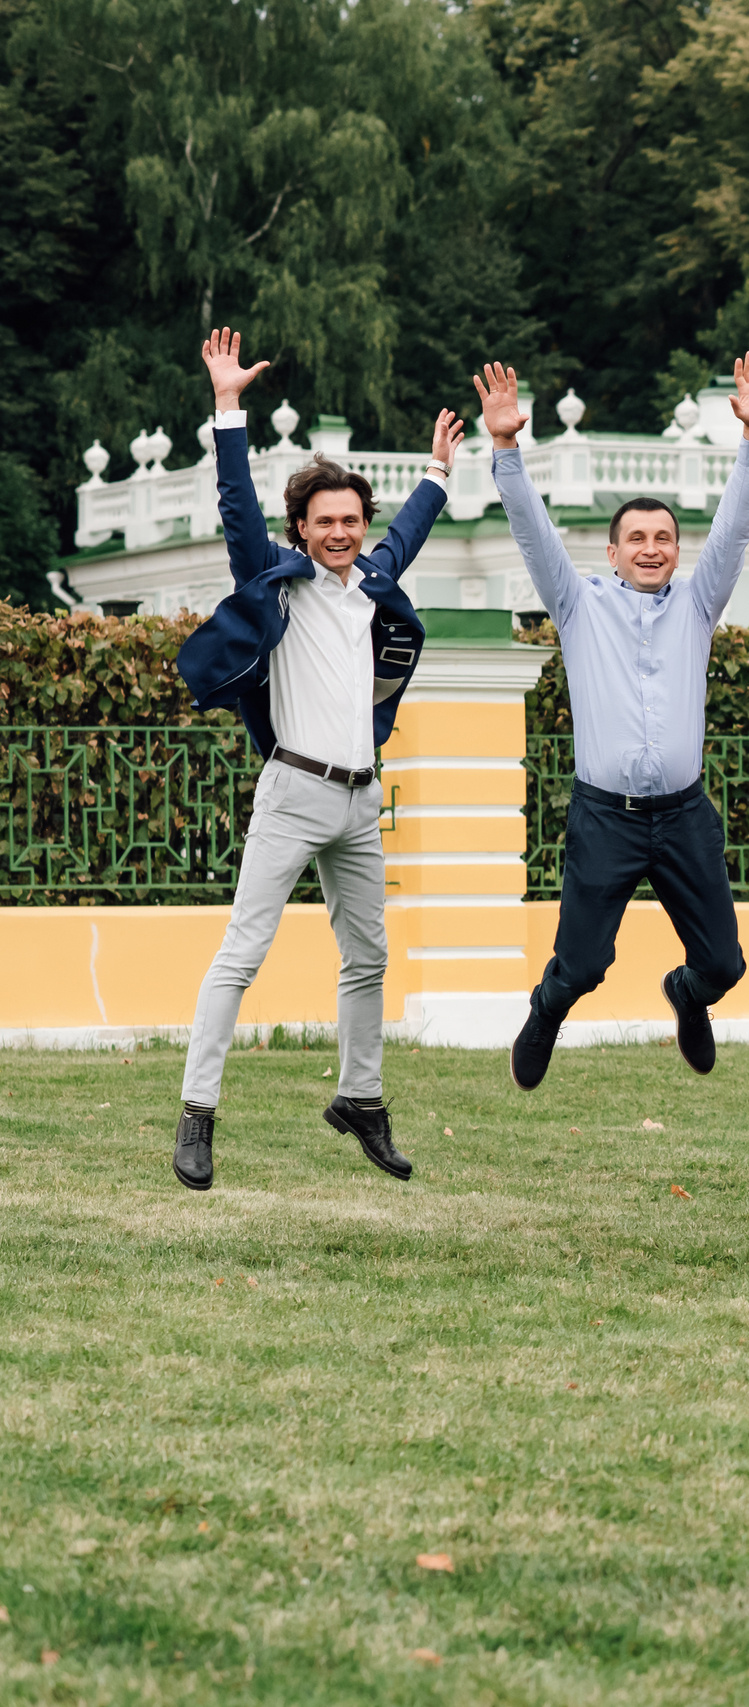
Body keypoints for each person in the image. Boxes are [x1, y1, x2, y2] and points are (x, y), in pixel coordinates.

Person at [169, 328, 463, 1191]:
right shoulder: (279, 579)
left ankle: (360, 1098)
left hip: (360, 803)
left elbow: (411, 530)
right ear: (300, 528)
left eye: (350, 521)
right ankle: (197, 1113)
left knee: (368, 957)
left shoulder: (372, 582)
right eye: (324, 522)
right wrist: (228, 407)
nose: (340, 532)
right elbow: (235, 508)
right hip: (293, 792)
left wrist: (439, 470)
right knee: (242, 953)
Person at [474, 357, 749, 1091]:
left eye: (663, 537)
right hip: (606, 816)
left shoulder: (698, 604)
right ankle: (547, 1007)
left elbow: (734, 530)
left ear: (676, 550)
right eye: (636, 537)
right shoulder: (578, 603)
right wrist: (506, 448)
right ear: (612, 552)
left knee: (724, 964)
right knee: (582, 965)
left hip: (683, 815)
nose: (651, 547)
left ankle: (687, 995)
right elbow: (532, 532)